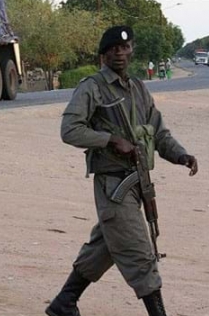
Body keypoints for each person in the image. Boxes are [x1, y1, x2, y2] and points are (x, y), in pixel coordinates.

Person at [47, 25, 199, 316]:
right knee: (140, 253)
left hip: (136, 182)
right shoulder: (92, 87)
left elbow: (158, 132)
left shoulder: (139, 89)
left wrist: (181, 156)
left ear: (132, 51)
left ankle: (64, 303)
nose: (120, 53)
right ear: (103, 55)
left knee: (104, 247)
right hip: (113, 186)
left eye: (125, 48)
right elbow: (70, 130)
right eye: (113, 49)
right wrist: (109, 140)